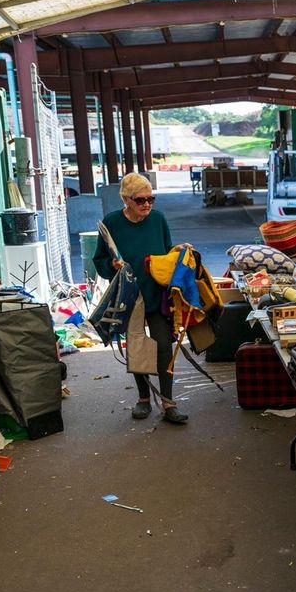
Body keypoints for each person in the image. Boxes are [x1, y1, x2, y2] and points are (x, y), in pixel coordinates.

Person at [92, 173, 189, 424]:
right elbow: (99, 261)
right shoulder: (111, 222)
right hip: (130, 295)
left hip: (156, 292)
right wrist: (111, 265)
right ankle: (144, 399)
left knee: (164, 345)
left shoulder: (157, 219)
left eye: (151, 199)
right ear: (126, 200)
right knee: (137, 345)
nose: (147, 204)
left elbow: (168, 254)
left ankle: (168, 402)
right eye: (140, 200)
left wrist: (179, 256)